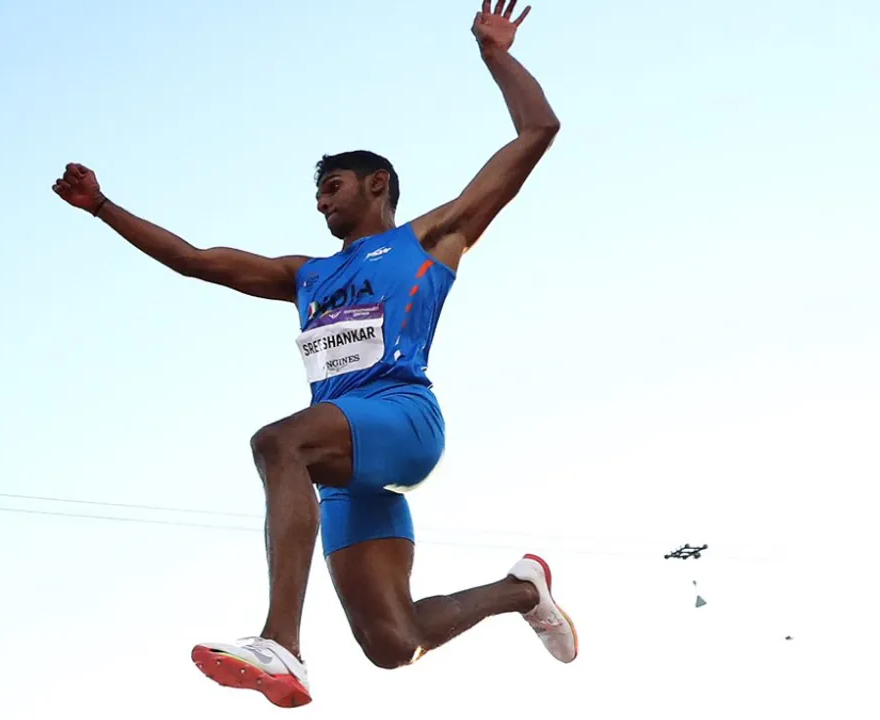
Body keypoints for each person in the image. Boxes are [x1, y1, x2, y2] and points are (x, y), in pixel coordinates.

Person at [51, 0, 575, 708]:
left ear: (377, 185)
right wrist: (104, 205)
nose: (321, 203)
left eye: (333, 187)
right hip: (342, 464)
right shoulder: (306, 276)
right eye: (317, 193)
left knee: (276, 443)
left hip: (400, 417)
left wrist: (494, 55)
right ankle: (522, 590)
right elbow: (195, 261)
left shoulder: (429, 238)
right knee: (395, 643)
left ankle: (281, 644)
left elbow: (538, 132)